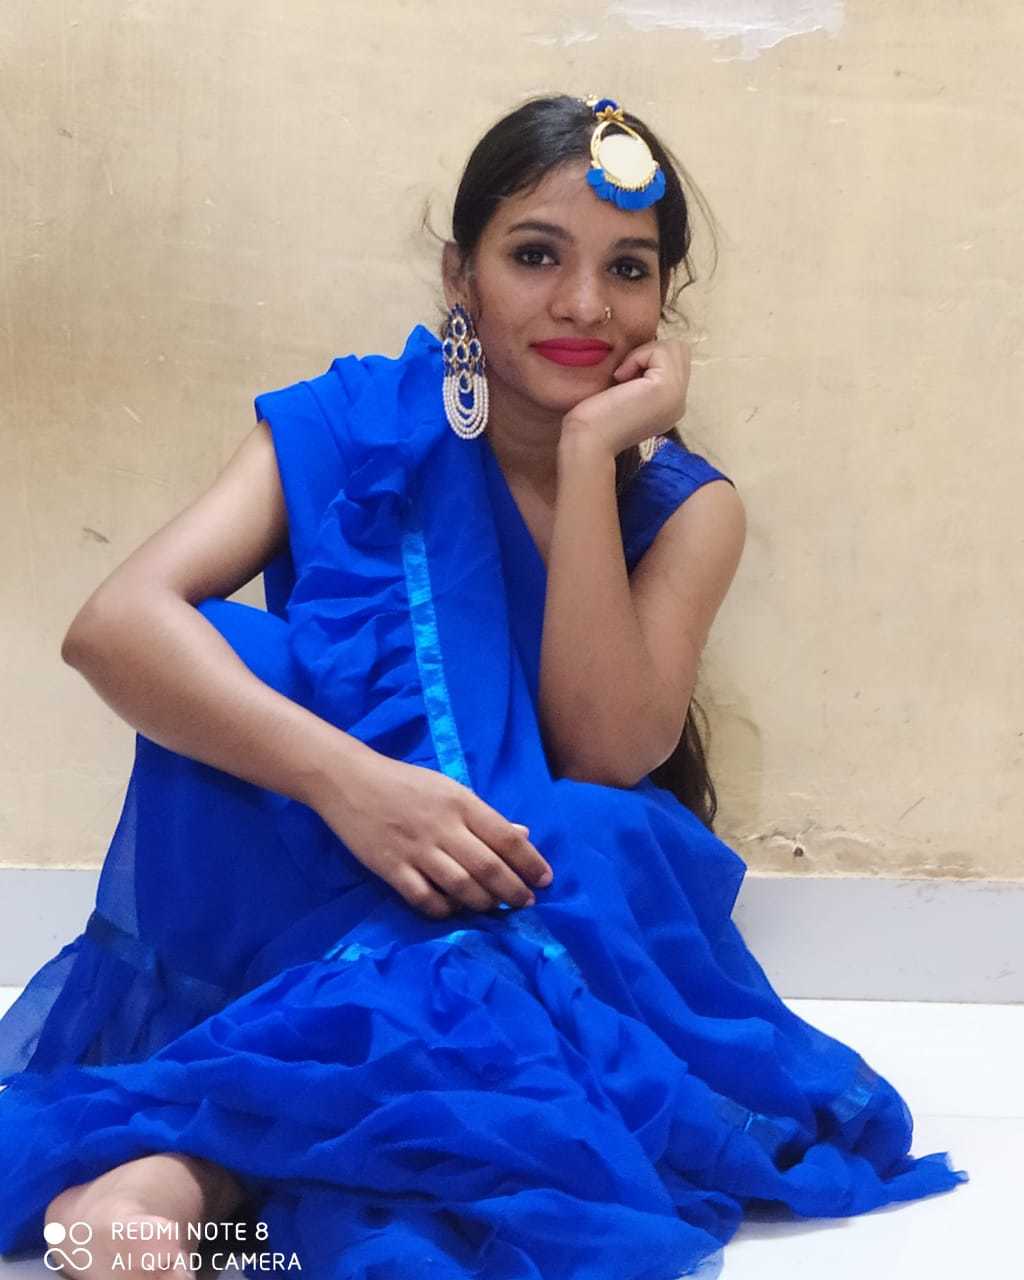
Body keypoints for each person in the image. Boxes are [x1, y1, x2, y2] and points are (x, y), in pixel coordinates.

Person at [0, 93, 967, 1280]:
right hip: (336, 862)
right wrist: (355, 785)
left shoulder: (687, 507)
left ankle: (195, 1174)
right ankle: (218, 1163)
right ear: (460, 275)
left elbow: (604, 747)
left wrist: (588, 454)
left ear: (664, 299)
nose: (583, 304)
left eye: (627, 268)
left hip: (542, 895)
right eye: (535, 255)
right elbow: (113, 627)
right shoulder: (356, 424)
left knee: (580, 838)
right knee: (235, 658)